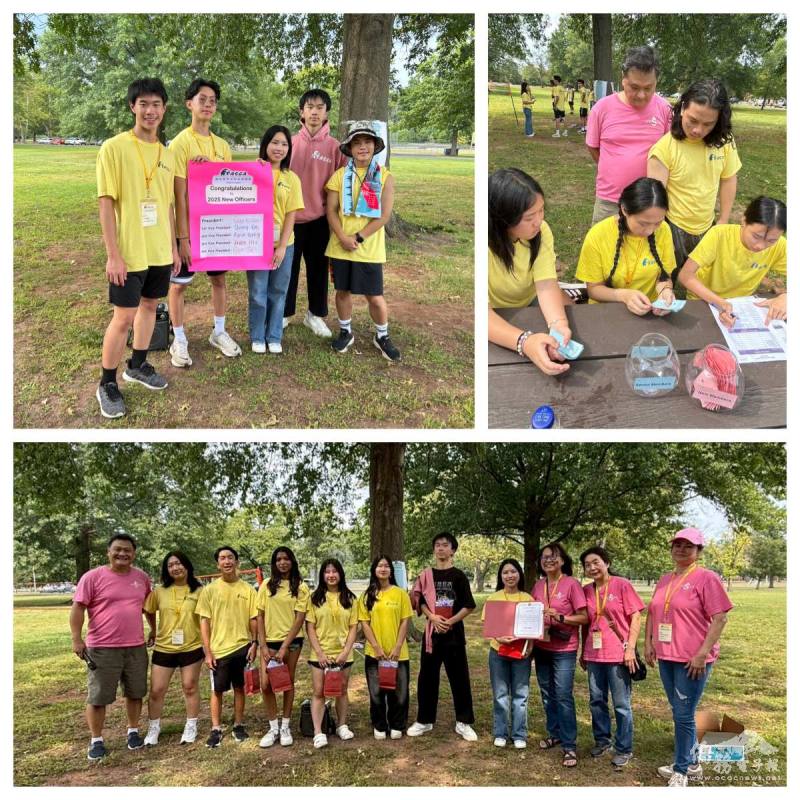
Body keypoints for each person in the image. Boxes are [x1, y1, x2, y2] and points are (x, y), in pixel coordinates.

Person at [95, 77, 181, 419]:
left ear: (164, 109)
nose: (150, 110)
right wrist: (113, 254)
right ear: (133, 106)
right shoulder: (114, 148)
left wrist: (174, 247)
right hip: (129, 252)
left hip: (159, 250)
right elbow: (106, 203)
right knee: (123, 318)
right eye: (143, 103)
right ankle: (107, 383)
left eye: (156, 104)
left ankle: (139, 364)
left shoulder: (168, 154)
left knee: (150, 307)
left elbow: (169, 205)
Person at [645, 528, 732, 787]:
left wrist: (702, 653)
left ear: (698, 551)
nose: (681, 549)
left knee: (683, 714)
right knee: (680, 710)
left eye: (689, 546)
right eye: (677, 544)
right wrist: (649, 642)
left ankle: (681, 770)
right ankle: (692, 762)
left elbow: (720, 618)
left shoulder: (707, 578)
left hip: (692, 659)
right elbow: (652, 612)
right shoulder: (664, 579)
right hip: (666, 655)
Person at [167, 78, 244, 368]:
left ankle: (219, 331)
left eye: (212, 100)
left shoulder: (222, 146)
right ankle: (180, 338)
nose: (208, 104)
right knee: (179, 285)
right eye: (202, 99)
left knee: (219, 280)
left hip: (217, 228)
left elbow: (227, 192)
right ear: (190, 104)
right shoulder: (180, 143)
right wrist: (183, 238)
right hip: (189, 229)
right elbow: (179, 194)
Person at [70, 534, 154, 760]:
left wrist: (153, 630)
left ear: (134, 554)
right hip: (102, 648)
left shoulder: (142, 578)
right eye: (118, 549)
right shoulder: (93, 577)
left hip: (135, 646)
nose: (122, 554)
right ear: (108, 552)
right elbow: (78, 608)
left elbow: (148, 608)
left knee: (135, 692)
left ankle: (133, 731)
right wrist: (76, 639)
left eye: (128, 550)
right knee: (98, 697)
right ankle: (96, 740)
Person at [325, 120, 400, 362]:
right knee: (342, 291)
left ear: (375, 146)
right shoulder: (339, 176)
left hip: (369, 248)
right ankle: (346, 331)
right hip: (340, 246)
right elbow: (331, 210)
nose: (362, 147)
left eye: (367, 142)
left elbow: (384, 215)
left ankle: (382, 335)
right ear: (350, 148)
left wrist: (358, 237)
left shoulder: (385, 177)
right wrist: (343, 237)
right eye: (357, 143)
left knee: (374, 295)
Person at [648, 79, 741, 271]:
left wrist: (723, 219)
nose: (698, 130)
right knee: (666, 278)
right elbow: (655, 198)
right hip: (672, 225)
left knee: (703, 278)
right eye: (692, 120)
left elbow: (728, 178)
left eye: (708, 124)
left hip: (708, 224)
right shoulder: (664, 149)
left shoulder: (724, 142)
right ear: (682, 108)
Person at [488, 169, 571, 377]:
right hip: (497, 312)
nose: (538, 221)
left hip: (530, 299)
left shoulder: (541, 231)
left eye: (541, 211)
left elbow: (545, 284)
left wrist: (558, 326)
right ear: (502, 219)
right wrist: (525, 342)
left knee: (573, 313)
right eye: (529, 217)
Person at [585, 46, 672, 224]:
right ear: (623, 79)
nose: (641, 95)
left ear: (657, 82)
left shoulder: (665, 110)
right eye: (634, 87)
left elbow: (670, 152)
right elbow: (593, 146)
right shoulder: (602, 108)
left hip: (649, 202)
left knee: (644, 251)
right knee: (604, 249)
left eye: (649, 88)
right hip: (609, 201)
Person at [286, 89, 346, 337]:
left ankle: (315, 315)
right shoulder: (288, 142)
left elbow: (344, 183)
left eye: (320, 107)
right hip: (290, 220)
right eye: (310, 107)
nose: (314, 111)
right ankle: (284, 313)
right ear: (302, 111)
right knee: (287, 270)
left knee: (318, 269)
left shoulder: (336, 148)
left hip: (320, 220)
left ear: (326, 113)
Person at [578, 546, 644, 770]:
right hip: (594, 654)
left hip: (618, 654)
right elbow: (586, 623)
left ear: (606, 562)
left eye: (596, 562)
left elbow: (636, 616)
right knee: (596, 701)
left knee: (621, 704)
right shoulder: (587, 591)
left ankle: (624, 748)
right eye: (587, 565)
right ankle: (602, 740)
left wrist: (630, 648)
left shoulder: (622, 585)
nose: (592, 567)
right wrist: (583, 652)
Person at [408, 532, 478, 742]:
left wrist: (450, 621)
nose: (440, 548)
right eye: (437, 545)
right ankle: (424, 720)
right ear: (434, 550)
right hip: (432, 636)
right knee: (427, 678)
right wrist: (432, 617)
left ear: (453, 550)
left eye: (445, 545)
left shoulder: (459, 576)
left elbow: (469, 605)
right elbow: (419, 601)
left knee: (460, 678)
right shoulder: (425, 575)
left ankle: (463, 722)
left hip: (454, 635)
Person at [678, 196, 787, 327]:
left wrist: (786, 297)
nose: (760, 246)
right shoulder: (719, 235)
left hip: (741, 306)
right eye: (756, 236)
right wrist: (720, 303)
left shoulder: (780, 246)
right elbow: (685, 276)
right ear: (744, 220)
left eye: (771, 241)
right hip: (703, 300)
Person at [575, 177, 677, 315]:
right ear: (624, 209)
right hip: (607, 311)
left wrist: (665, 291)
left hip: (649, 311)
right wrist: (623, 296)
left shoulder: (664, 230)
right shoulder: (598, 235)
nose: (650, 231)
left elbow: (664, 276)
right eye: (643, 223)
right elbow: (593, 289)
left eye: (658, 222)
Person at [530, 542, 588, 768]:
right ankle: (554, 733)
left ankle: (569, 745)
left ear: (563, 560)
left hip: (564, 649)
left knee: (563, 695)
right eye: (545, 557)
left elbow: (583, 617)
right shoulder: (538, 585)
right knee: (547, 693)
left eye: (553, 557)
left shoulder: (572, 584)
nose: (549, 560)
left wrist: (561, 618)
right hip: (542, 646)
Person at [248, 126, 304, 354]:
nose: (279, 148)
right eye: (275, 142)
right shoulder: (252, 171)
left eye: (284, 144)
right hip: (255, 243)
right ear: (265, 144)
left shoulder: (291, 178)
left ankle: (274, 336)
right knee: (258, 292)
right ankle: (257, 336)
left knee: (279, 291)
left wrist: (282, 246)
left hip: (284, 245)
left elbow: (292, 213)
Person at [195, 546, 258, 748]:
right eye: (222, 558)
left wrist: (254, 643)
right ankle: (216, 728)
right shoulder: (210, 590)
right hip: (218, 650)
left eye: (230, 557)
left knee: (240, 688)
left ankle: (238, 725)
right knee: (218, 691)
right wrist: (207, 651)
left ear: (237, 562)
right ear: (218, 564)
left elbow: (254, 618)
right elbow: (204, 621)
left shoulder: (247, 590)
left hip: (242, 646)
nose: (227, 561)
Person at [142, 551, 204, 746]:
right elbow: (148, 610)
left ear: (186, 566)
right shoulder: (160, 592)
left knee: (190, 687)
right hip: (164, 648)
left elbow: (205, 619)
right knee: (157, 690)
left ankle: (191, 725)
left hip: (192, 647)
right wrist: (153, 629)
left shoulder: (199, 591)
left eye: (179, 563)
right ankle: (154, 728)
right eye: (170, 565)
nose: (175, 568)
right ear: (166, 570)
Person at [256, 546, 310, 748]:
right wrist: (262, 645)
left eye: (286, 558)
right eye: (278, 559)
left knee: (287, 682)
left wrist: (284, 647)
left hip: (292, 642)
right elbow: (259, 615)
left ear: (292, 561)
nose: (282, 562)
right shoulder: (267, 585)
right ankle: (273, 727)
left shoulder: (301, 587)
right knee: (266, 684)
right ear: (274, 562)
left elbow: (299, 619)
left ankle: (285, 725)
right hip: (268, 642)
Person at [305, 558, 359, 749]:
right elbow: (310, 628)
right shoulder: (314, 599)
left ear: (340, 574)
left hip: (343, 655)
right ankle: (318, 732)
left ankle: (342, 725)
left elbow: (353, 627)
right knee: (319, 692)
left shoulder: (351, 599)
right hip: (320, 655)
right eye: (327, 571)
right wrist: (319, 653)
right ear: (322, 575)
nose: (331, 575)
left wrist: (345, 651)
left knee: (342, 690)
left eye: (334, 571)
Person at [358, 555, 413, 740]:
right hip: (375, 653)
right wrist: (376, 647)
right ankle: (379, 724)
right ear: (374, 570)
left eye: (386, 566)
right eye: (380, 566)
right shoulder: (367, 596)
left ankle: (398, 723)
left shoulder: (400, 593)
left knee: (400, 691)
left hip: (399, 653)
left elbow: (406, 620)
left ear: (391, 570)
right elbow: (365, 623)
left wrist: (397, 647)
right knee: (376, 691)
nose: (383, 569)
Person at [482, 558, 533, 749]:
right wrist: (498, 637)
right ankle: (501, 733)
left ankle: (519, 734)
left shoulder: (528, 599)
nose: (510, 576)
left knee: (521, 694)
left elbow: (534, 629)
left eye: (513, 571)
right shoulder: (493, 598)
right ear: (501, 576)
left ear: (519, 574)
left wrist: (530, 648)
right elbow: (487, 625)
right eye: (505, 572)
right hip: (498, 652)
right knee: (500, 694)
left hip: (521, 653)